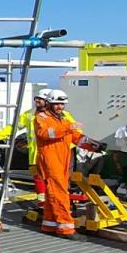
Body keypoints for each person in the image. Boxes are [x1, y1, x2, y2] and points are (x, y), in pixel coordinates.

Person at [34, 90, 86, 237]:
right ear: (50, 103)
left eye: (62, 104)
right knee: (59, 193)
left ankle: (49, 225)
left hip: (62, 160)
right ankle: (66, 229)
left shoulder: (63, 119)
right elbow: (45, 134)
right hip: (50, 160)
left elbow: (75, 136)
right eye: (57, 104)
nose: (60, 107)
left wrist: (92, 145)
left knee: (53, 193)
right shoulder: (41, 118)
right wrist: (68, 128)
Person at [0, 88, 57, 200]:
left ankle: (53, 202)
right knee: (38, 178)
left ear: (48, 101)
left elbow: (71, 130)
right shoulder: (29, 114)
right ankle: (42, 202)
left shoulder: (60, 115)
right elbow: (14, 126)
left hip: (53, 153)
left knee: (53, 178)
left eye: (40, 99)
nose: (37, 101)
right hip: (35, 154)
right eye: (36, 99)